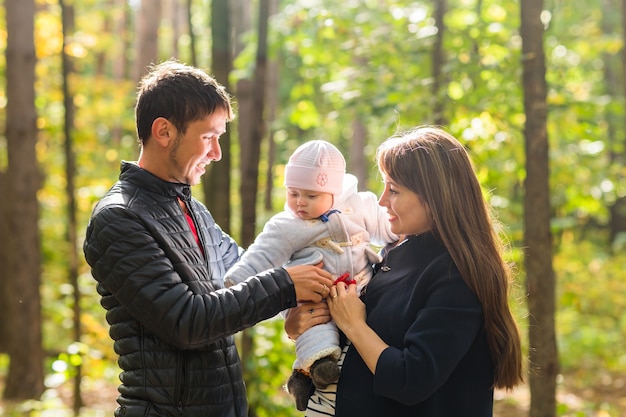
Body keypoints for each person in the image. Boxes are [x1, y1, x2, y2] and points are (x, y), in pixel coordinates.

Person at [82, 60, 334, 417]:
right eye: (208, 137)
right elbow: (186, 322)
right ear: (164, 131)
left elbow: (245, 274)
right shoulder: (119, 218)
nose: (216, 153)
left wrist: (292, 313)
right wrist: (285, 288)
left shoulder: (193, 209)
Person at [285, 126, 524, 416]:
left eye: (394, 189)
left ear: (436, 196)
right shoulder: (395, 251)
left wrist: (354, 325)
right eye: (384, 186)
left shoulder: (456, 275)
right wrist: (301, 323)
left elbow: (410, 379)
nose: (382, 200)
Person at [224, 140, 397, 410]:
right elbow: (262, 254)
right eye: (293, 193)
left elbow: (387, 228)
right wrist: (235, 281)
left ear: (334, 193)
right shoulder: (287, 225)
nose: (300, 203)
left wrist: (398, 233)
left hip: (361, 290)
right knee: (315, 328)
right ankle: (314, 370)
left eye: (311, 195)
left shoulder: (360, 206)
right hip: (317, 297)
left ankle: (306, 376)